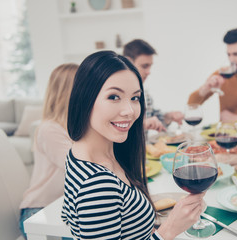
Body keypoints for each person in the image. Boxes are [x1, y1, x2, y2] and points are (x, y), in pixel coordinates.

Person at [61, 51, 205, 240]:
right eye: (114, 97)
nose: (129, 111)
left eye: (135, 98)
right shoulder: (96, 185)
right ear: (85, 98)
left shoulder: (88, 153)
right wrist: (169, 229)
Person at [19, 63, 78, 239]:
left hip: (62, 208)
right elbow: (78, 167)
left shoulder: (73, 127)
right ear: (69, 92)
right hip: (39, 210)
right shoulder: (49, 129)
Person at [123, 39, 184, 132]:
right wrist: (142, 124)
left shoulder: (145, 94)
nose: (148, 72)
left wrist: (169, 116)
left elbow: (152, 116)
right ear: (128, 62)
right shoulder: (115, 95)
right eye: (144, 66)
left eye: (150, 66)